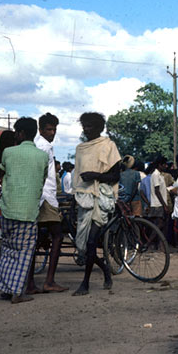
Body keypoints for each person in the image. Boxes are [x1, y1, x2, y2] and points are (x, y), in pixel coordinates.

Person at [0, 117, 49, 304]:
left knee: (8, 249)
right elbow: (43, 179)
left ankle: (7, 288)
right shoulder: (42, 156)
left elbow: (1, 172)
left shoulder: (8, 152)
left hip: (8, 208)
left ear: (21, 133)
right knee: (24, 252)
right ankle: (17, 292)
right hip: (28, 210)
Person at [72, 112, 121, 296]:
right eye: (84, 126)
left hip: (101, 198)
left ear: (99, 127)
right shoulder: (80, 149)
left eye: (90, 126)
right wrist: (72, 201)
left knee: (92, 241)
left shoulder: (108, 146)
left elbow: (115, 176)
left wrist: (96, 176)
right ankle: (105, 269)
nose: (86, 129)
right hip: (83, 199)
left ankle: (85, 283)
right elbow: (77, 178)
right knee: (83, 246)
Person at [27, 112, 68, 294]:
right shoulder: (43, 147)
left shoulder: (44, 145)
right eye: (49, 129)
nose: (52, 133)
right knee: (57, 236)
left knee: (36, 240)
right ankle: (48, 281)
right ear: (41, 129)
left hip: (44, 196)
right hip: (45, 198)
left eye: (54, 129)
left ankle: (31, 283)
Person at [148, 156, 171, 240]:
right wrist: (164, 205)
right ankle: (149, 243)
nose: (166, 166)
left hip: (160, 203)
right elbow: (157, 191)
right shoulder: (155, 175)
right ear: (159, 165)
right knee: (159, 225)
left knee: (161, 225)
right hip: (157, 204)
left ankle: (159, 244)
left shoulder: (160, 175)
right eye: (164, 164)